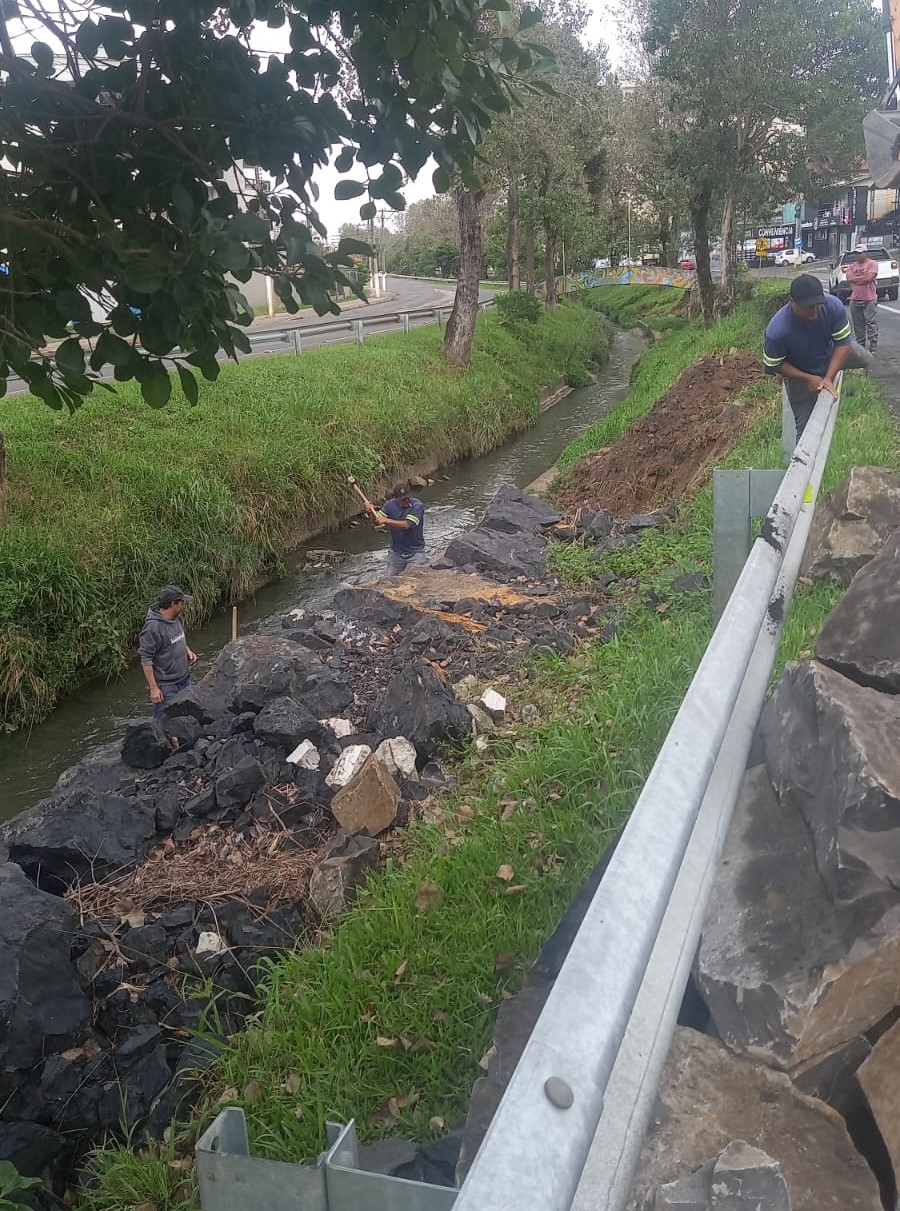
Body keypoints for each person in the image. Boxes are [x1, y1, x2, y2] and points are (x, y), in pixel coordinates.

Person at [762, 273, 872, 440]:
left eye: (817, 305)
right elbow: (774, 365)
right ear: (792, 302)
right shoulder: (777, 331)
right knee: (806, 429)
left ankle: (838, 377)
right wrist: (808, 378)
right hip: (801, 372)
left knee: (867, 359)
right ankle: (801, 464)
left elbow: (842, 344)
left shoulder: (832, 305)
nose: (814, 311)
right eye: (808, 307)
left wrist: (828, 377)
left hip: (831, 352)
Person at [139, 585, 198, 715]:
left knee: (185, 717)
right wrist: (153, 689)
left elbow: (177, 638)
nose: (183, 606)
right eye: (181, 603)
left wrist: (187, 650)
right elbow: (146, 659)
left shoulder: (176, 618)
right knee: (165, 722)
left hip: (185, 679)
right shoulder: (152, 628)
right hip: (167, 686)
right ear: (173, 604)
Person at [370, 483, 427, 576]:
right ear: (396, 499)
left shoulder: (417, 506)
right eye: (404, 499)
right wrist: (370, 512)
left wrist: (386, 520)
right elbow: (377, 521)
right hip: (396, 554)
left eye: (408, 497)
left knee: (416, 581)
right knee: (388, 580)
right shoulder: (389, 505)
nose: (407, 501)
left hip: (415, 553)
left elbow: (407, 525)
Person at [843, 244, 879, 353]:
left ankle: (873, 343)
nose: (858, 255)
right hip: (855, 298)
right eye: (856, 253)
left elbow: (870, 277)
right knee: (858, 324)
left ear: (865, 253)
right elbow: (849, 278)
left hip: (869, 298)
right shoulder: (852, 266)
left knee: (871, 322)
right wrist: (862, 279)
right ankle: (861, 345)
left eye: (860, 253)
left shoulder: (872, 264)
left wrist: (856, 279)